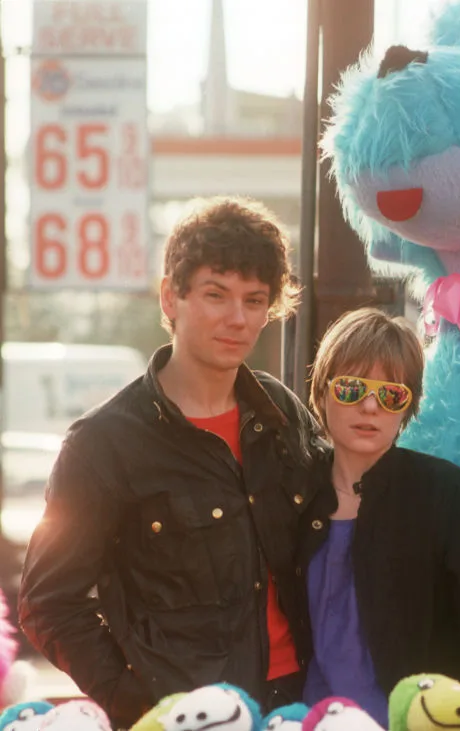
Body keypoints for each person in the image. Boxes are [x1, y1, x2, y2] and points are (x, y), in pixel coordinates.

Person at [19, 197, 326, 727]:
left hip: (299, 698)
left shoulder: (281, 414)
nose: (237, 318)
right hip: (189, 713)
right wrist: (139, 703)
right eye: (216, 294)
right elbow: (49, 602)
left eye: (254, 301)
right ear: (171, 297)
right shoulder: (103, 443)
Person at [298, 307, 460, 725]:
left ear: (409, 405)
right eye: (351, 388)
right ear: (322, 390)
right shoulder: (294, 493)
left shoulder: (443, 490)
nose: (369, 406)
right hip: (311, 719)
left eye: (391, 394)